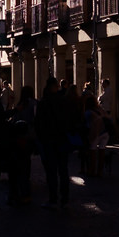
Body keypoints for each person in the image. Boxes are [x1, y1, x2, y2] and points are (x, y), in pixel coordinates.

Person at [34, 76, 71, 208]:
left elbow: (38, 124)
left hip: (49, 141)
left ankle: (53, 199)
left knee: (51, 171)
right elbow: (69, 120)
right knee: (63, 170)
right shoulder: (63, 101)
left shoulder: (43, 102)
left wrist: (41, 139)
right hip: (62, 140)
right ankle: (65, 197)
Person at [83, 95, 110, 177]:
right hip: (105, 132)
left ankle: (92, 170)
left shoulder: (88, 112)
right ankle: (100, 171)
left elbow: (87, 125)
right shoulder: (101, 109)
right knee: (102, 151)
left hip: (95, 133)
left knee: (93, 151)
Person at [98, 78, 116, 143]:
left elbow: (101, 98)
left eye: (103, 83)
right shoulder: (105, 90)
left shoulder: (108, 90)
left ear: (106, 83)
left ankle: (110, 136)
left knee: (106, 123)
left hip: (106, 109)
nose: (102, 85)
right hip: (104, 108)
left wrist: (99, 98)